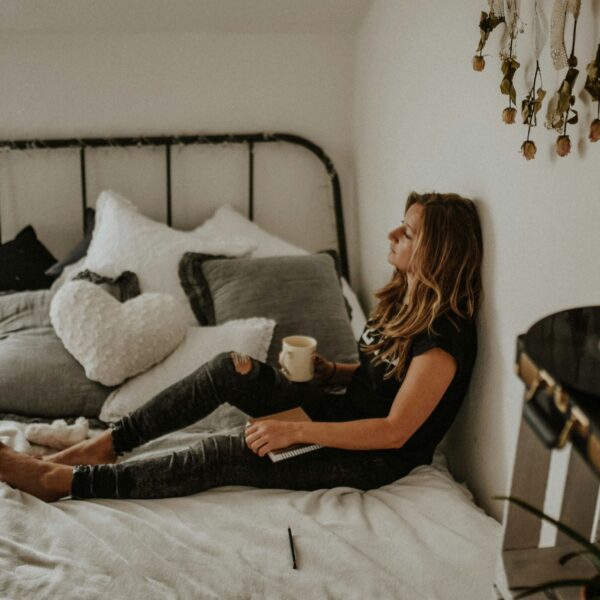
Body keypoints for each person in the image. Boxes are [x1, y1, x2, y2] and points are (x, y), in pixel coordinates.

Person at [0, 191, 483, 502]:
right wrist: (331, 371)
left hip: (371, 456)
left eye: (409, 232)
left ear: (436, 252)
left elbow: (394, 431)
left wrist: (295, 433)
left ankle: (60, 481)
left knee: (231, 452)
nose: (392, 234)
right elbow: (381, 380)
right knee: (229, 370)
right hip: (342, 414)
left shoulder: (444, 338)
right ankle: (105, 445)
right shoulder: (403, 299)